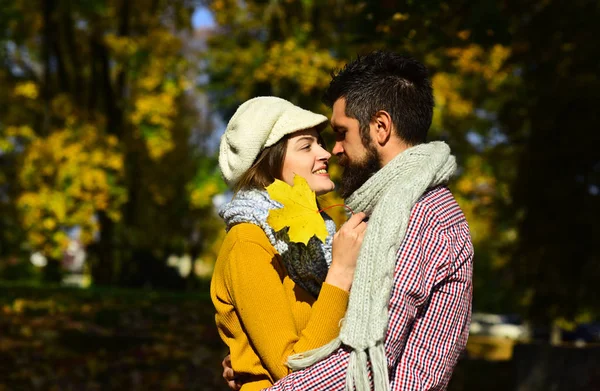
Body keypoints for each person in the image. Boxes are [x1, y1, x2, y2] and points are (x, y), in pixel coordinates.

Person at [223, 51, 474, 390]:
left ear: (380, 127)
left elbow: (362, 362)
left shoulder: (415, 216)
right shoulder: (379, 218)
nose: (332, 151)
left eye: (339, 134)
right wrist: (248, 358)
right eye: (308, 145)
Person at [211, 96, 368, 391]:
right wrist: (341, 273)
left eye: (320, 143)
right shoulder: (249, 241)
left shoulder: (313, 241)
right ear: (270, 162)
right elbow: (291, 373)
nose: (325, 154)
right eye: (306, 146)